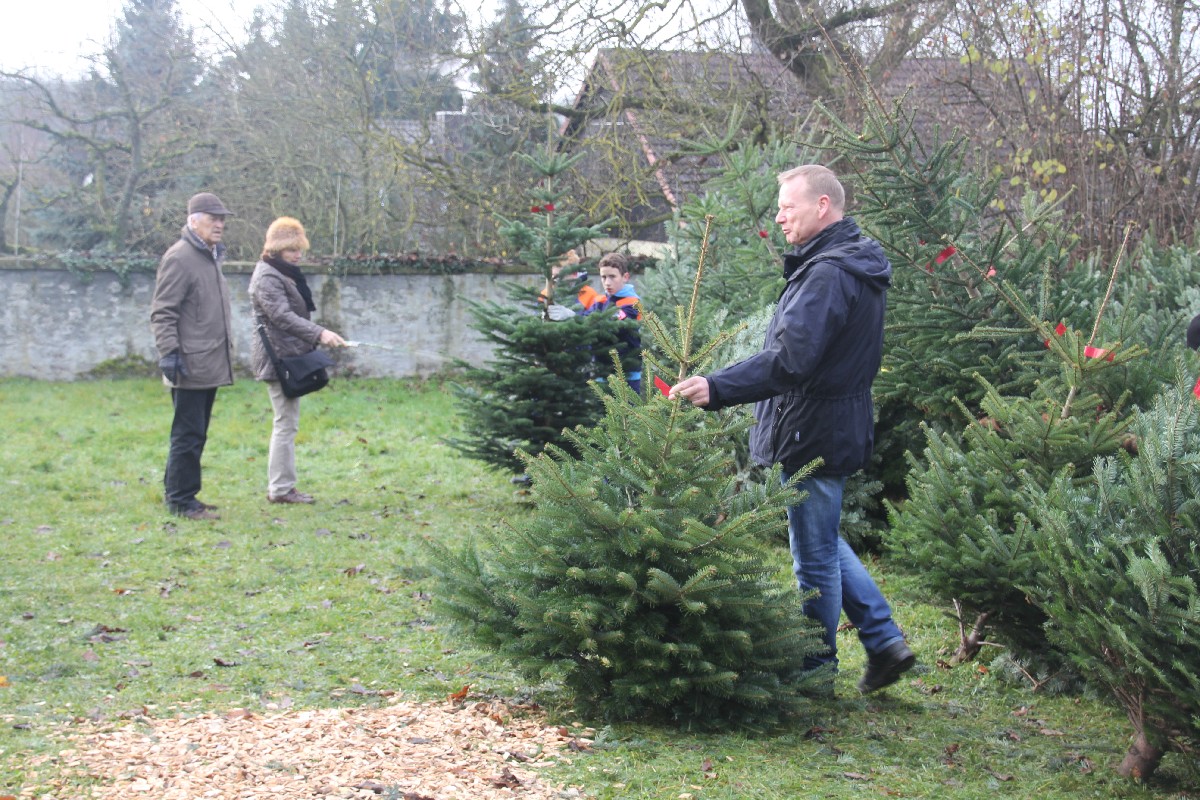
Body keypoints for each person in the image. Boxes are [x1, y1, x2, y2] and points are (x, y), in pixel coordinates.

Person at [669, 165, 915, 694]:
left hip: (813, 430)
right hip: (830, 425)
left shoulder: (828, 273)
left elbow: (789, 360)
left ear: (822, 206)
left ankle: (814, 673)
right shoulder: (848, 263)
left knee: (814, 556)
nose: (779, 217)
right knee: (821, 536)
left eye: (788, 207)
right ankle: (883, 640)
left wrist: (718, 385)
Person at [150, 192, 237, 521]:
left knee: (195, 432)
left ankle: (184, 494)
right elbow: (163, 311)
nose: (219, 224)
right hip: (188, 363)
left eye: (222, 219)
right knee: (187, 434)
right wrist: (169, 353)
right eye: (212, 218)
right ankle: (180, 501)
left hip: (208, 362)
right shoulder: (181, 257)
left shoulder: (210, 256)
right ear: (192, 220)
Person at [248, 217, 346, 504]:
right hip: (277, 358)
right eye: (291, 249)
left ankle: (283, 487)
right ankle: (280, 489)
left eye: (299, 248)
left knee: (287, 423)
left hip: (289, 353)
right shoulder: (268, 277)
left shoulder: (284, 273)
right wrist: (319, 333)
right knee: (285, 424)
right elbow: (281, 316)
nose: (297, 254)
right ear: (276, 249)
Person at [578, 253, 643, 393]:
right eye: (603, 277)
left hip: (627, 373)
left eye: (612, 277)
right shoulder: (600, 301)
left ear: (625, 277)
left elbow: (614, 325)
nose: (607, 282)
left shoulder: (632, 302)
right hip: (601, 370)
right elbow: (584, 321)